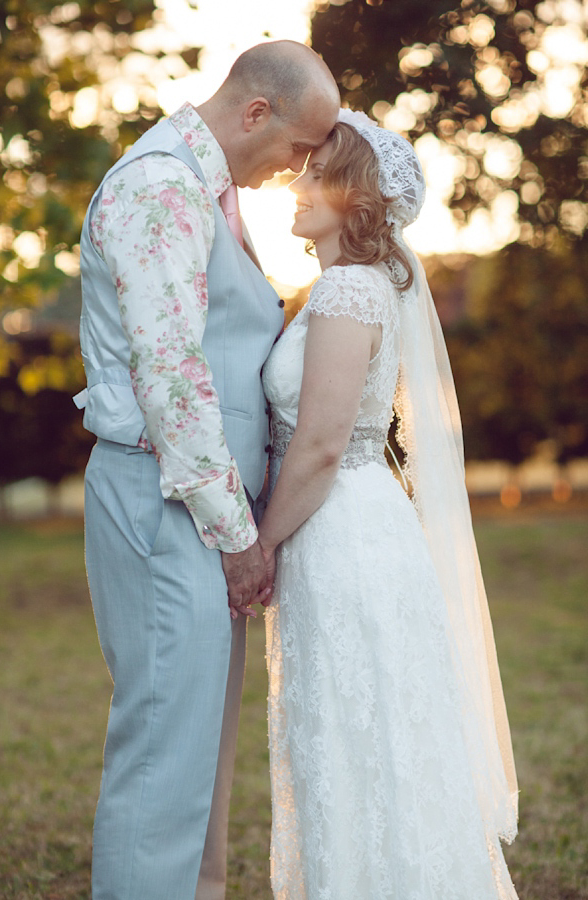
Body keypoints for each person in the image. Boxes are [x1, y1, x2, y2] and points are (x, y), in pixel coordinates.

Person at [73, 41, 340, 900]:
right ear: (255, 113)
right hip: (168, 505)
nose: (301, 168)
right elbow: (172, 379)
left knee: (195, 754)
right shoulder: (159, 188)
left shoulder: (206, 189)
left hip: (191, 499)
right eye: (300, 146)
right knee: (163, 758)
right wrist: (238, 537)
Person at [258, 109, 520, 899]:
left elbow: (321, 445)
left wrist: (259, 548)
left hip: (341, 533)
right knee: (369, 742)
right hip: (356, 525)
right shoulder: (352, 285)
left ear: (354, 194)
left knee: (358, 740)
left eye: (312, 173)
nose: (293, 186)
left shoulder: (346, 288)